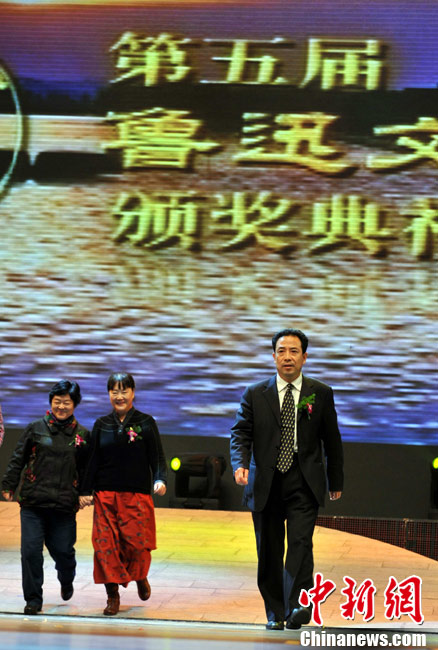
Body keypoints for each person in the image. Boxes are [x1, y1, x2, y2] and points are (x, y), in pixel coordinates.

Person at [230, 328, 343, 631]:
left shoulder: (320, 393)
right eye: (281, 351)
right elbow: (240, 433)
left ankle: (297, 605)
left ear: (305, 357)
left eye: (294, 351)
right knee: (268, 550)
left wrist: (335, 480)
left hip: (303, 481)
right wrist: (240, 464)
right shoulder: (255, 393)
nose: (287, 357)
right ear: (273, 357)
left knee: (300, 544)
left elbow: (332, 439)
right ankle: (275, 612)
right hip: (265, 483)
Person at [80, 372, 167, 616]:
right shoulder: (101, 424)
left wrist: (160, 478)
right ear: (109, 394)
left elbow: (157, 456)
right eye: (114, 391)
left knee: (137, 545)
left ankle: (140, 576)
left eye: (124, 391)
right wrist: (85, 490)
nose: (119, 396)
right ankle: (112, 595)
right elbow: (92, 460)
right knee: (104, 546)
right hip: (105, 495)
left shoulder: (146, 422)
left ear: (133, 393)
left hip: (136, 495)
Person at [1, 380, 89, 615]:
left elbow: (86, 470)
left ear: (75, 405)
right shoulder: (35, 429)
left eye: (66, 403)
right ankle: (33, 599)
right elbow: (18, 458)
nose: (61, 407)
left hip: (64, 505)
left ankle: (66, 578)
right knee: (30, 552)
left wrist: (85, 493)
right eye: (57, 402)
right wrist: (9, 484)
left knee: (63, 552)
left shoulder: (82, 435)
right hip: (33, 502)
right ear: (51, 402)